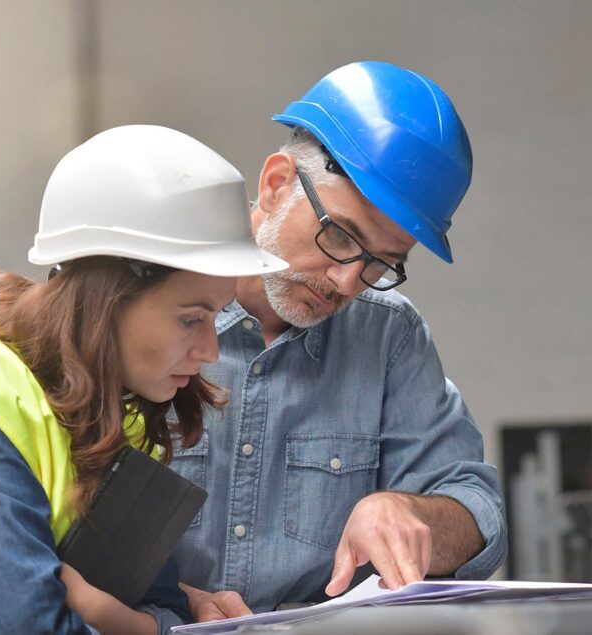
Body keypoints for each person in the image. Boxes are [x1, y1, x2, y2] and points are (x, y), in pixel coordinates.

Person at [0, 125, 287, 635]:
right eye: (190, 318)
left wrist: (116, 616)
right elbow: (31, 624)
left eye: (215, 316)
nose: (211, 350)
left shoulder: (118, 418)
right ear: (108, 297)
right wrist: (128, 621)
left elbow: (165, 610)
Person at [171, 61, 508, 620]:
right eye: (340, 237)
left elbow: (480, 512)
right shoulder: (151, 308)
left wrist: (408, 512)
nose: (349, 281)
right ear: (277, 184)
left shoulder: (388, 337)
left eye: (382, 264)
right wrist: (164, 600)